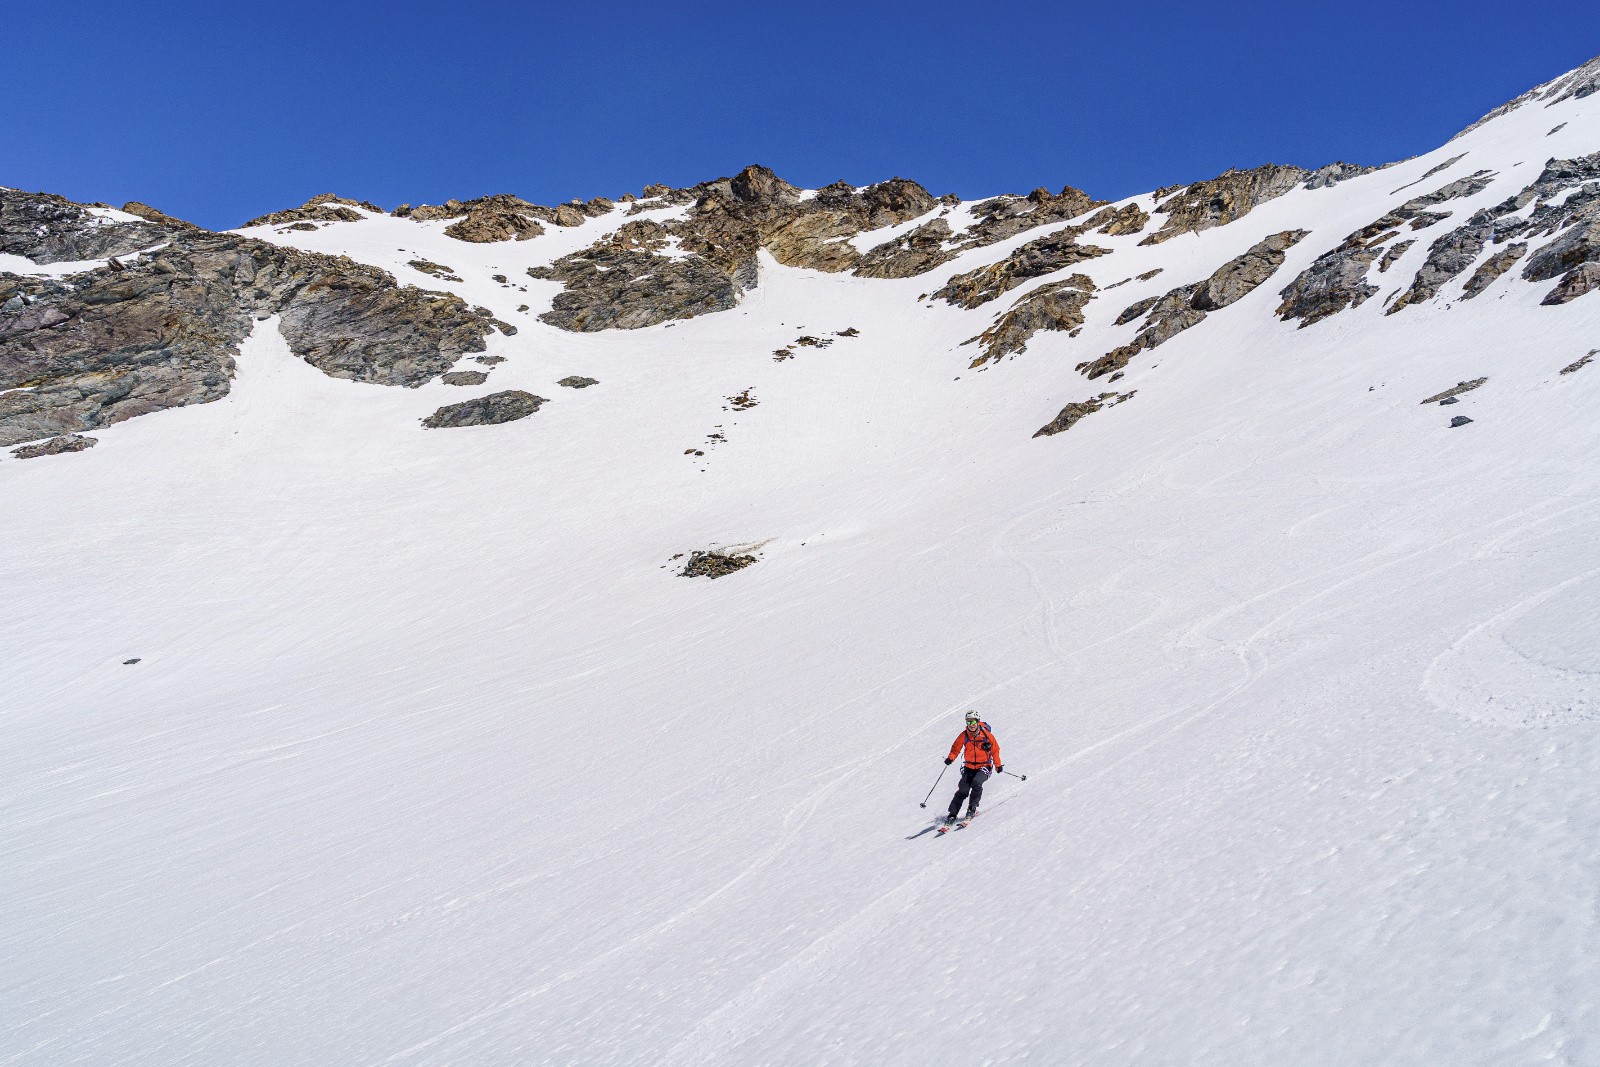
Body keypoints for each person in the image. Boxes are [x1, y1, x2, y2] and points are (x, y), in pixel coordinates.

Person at [943, 711, 1002, 824]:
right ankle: (952, 814)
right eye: (968, 721)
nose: (971, 724)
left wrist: (998, 765)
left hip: (984, 766)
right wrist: (950, 758)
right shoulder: (964, 735)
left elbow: (995, 750)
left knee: (976, 782)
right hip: (969, 766)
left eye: (974, 721)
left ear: (978, 721)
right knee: (963, 789)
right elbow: (956, 748)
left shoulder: (986, 735)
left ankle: (972, 809)